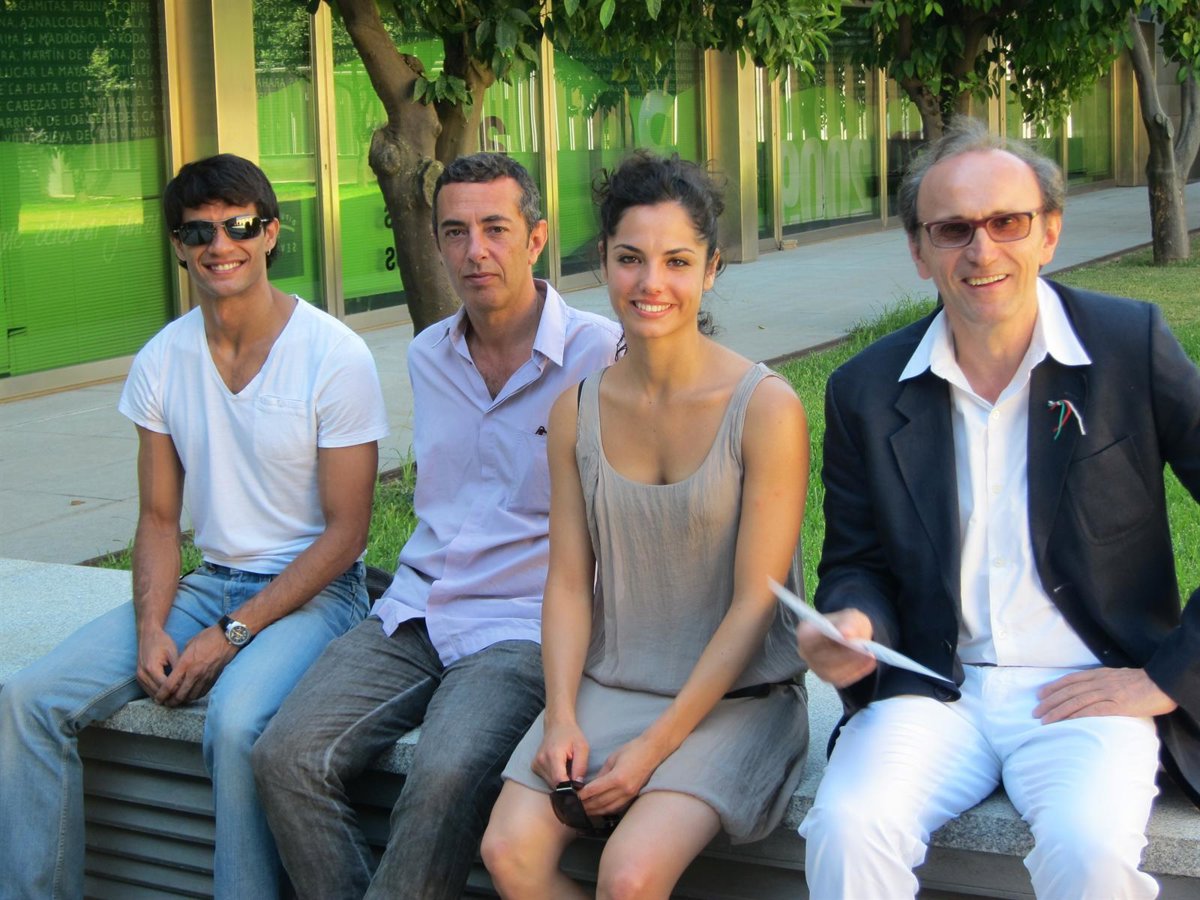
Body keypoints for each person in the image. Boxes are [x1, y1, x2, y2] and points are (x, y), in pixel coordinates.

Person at [796, 116, 1200, 899]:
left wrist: (1171, 675)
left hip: (1086, 690)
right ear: (919, 251)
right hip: (935, 688)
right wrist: (852, 623)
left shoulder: (1129, 345)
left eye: (1007, 222)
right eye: (952, 229)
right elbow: (856, 562)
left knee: (1090, 851)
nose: (981, 251)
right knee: (848, 828)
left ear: (1049, 231)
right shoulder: (864, 390)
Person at [0, 154, 388, 899]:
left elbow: (346, 535)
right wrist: (152, 628)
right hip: (208, 583)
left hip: (318, 594)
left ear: (271, 232)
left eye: (239, 225)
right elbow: (157, 519)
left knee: (236, 724)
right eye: (199, 231)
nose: (221, 245)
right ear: (179, 247)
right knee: (27, 701)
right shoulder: (162, 359)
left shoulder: (334, 354)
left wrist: (232, 634)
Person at [251, 152, 620, 900]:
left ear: (536, 237)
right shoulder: (428, 354)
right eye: (455, 232)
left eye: (495, 228)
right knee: (283, 757)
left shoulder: (601, 353)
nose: (475, 250)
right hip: (418, 606)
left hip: (523, 623)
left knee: (444, 776)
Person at [480, 150, 810, 899]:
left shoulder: (766, 408)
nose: (650, 283)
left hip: (738, 699)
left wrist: (655, 749)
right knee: (508, 853)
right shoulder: (577, 410)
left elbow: (755, 606)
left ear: (712, 268)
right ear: (603, 260)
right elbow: (569, 584)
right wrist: (561, 716)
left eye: (677, 261)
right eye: (630, 258)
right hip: (614, 684)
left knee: (629, 877)